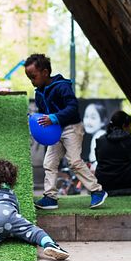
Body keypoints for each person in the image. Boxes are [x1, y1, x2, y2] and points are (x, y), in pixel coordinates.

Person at [24, 53, 107, 209]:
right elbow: (43, 113)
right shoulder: (39, 92)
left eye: (33, 77)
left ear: (45, 73)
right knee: (49, 162)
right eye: (29, 78)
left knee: (74, 161)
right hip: (55, 132)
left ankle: (97, 191)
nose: (32, 81)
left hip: (71, 128)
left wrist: (54, 118)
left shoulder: (62, 86)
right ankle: (50, 197)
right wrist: (36, 119)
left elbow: (73, 108)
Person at [95, 110, 131, 194]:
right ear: (124, 126)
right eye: (130, 126)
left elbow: (99, 161)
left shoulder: (100, 141)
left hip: (105, 186)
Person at [81, 102, 108, 169]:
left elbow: (96, 165)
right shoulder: (103, 135)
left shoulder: (99, 136)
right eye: (86, 116)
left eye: (93, 118)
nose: (88, 121)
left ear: (103, 121)